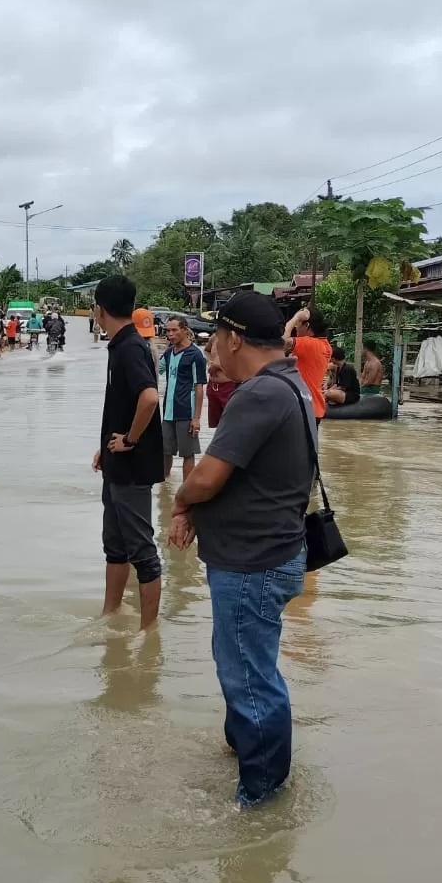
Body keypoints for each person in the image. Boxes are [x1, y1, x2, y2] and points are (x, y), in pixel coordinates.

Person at [167, 292, 314, 807]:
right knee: (245, 661)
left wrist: (182, 505)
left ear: (233, 339)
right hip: (273, 551)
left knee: (249, 675)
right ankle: (242, 747)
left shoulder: (259, 394)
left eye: (214, 339)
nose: (212, 349)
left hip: (254, 561)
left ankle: (262, 798)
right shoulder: (291, 384)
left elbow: (206, 477)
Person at [91, 276, 166, 628]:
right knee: (115, 547)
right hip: (116, 465)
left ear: (99, 310)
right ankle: (110, 615)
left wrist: (130, 441)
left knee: (142, 551)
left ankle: (148, 632)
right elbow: (124, 405)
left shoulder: (130, 347)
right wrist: (105, 448)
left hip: (132, 466)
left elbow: (149, 397)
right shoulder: (120, 345)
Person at [158, 315, 208, 480]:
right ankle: (164, 484)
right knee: (165, 450)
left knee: (188, 452)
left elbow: (199, 387)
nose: (170, 334)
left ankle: (187, 487)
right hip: (168, 411)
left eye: (174, 330)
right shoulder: (169, 353)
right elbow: (157, 370)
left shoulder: (195, 355)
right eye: (168, 331)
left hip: (186, 412)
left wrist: (197, 418)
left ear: (185, 330)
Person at [285, 306, 332, 426]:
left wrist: (295, 318)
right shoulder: (324, 345)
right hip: (313, 407)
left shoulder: (309, 344)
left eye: (298, 323)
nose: (296, 327)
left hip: (304, 407)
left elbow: (282, 342)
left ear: (307, 326)